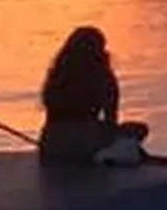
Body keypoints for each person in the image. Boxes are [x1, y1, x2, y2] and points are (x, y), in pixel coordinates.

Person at [37, 26, 151, 165]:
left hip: (51, 142)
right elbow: (111, 120)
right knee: (139, 129)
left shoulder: (57, 76)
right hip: (86, 144)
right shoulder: (104, 77)